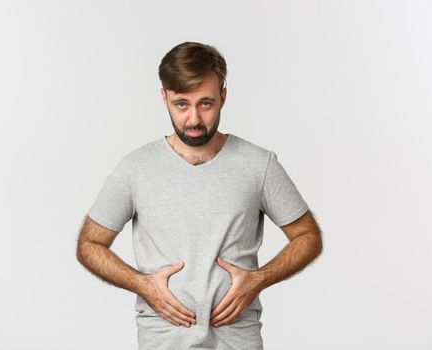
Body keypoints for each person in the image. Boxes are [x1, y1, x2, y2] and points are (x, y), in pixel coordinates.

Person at [76, 41, 323, 350]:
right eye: (181, 104)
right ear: (164, 97)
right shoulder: (136, 168)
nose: (193, 119)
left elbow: (308, 236)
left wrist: (259, 279)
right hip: (163, 341)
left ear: (223, 96)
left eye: (205, 103)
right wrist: (143, 285)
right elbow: (89, 244)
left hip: (237, 340)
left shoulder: (259, 165)